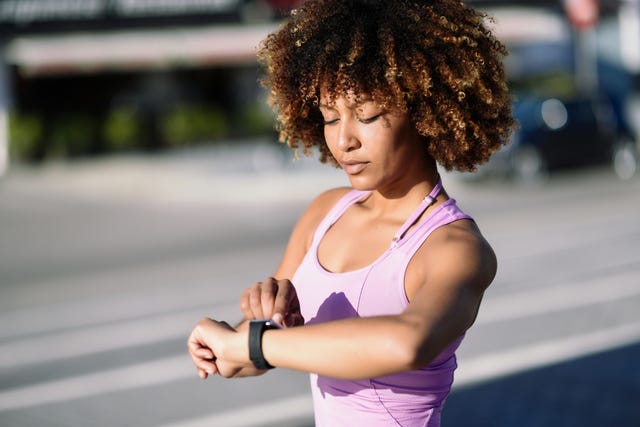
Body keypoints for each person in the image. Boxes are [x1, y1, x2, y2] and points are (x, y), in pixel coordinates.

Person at [187, 0, 515, 425]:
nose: (343, 141)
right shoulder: (325, 212)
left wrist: (252, 345)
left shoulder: (454, 247)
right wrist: (234, 337)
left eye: (367, 115)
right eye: (328, 117)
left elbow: (407, 343)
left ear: (425, 110)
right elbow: (251, 355)